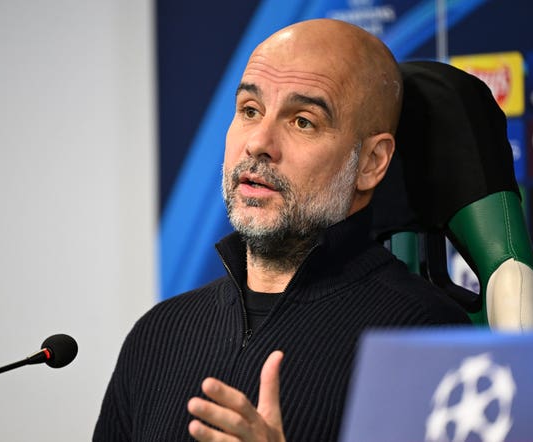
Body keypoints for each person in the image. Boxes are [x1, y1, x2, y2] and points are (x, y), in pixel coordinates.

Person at [94, 18, 471, 442]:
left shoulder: (426, 336)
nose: (258, 143)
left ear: (371, 163)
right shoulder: (158, 334)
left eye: (302, 121)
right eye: (250, 111)